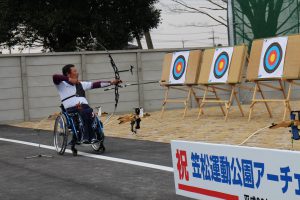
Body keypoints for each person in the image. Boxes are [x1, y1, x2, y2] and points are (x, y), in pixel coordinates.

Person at [53, 64, 121, 148]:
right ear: (68, 74)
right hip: (73, 108)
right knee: (85, 111)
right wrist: (69, 80)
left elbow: (96, 84)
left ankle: (92, 137)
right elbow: (55, 77)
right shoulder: (61, 84)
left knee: (89, 112)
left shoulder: (81, 84)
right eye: (74, 71)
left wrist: (111, 82)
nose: (77, 73)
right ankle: (86, 137)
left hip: (85, 108)